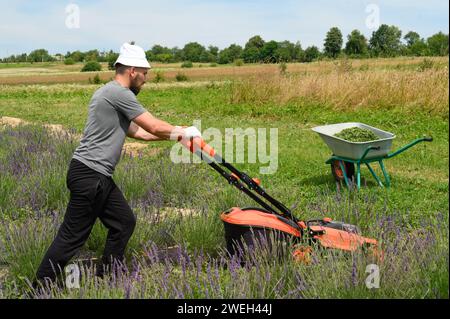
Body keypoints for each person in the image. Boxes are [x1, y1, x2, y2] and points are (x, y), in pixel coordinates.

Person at [35, 42, 201, 284]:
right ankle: (37, 289)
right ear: (132, 70)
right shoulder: (118, 94)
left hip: (96, 175)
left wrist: (179, 136)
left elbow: (141, 133)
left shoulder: (110, 94)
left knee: (124, 222)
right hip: (90, 175)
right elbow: (153, 125)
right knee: (71, 238)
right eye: (145, 73)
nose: (146, 79)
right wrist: (183, 131)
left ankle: (108, 278)